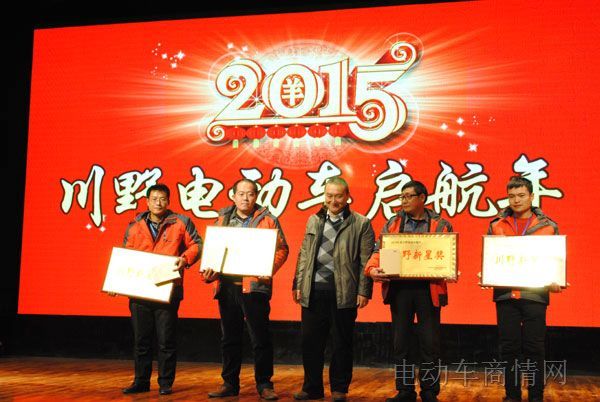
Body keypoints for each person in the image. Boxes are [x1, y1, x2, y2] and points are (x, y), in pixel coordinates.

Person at [365, 181, 453, 402]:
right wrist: (371, 268)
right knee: (401, 343)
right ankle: (405, 390)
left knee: (429, 343)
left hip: (428, 289)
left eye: (408, 196)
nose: (403, 201)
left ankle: (429, 391)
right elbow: (379, 250)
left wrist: (450, 268)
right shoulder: (393, 223)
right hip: (400, 289)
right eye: (401, 196)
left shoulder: (441, 225)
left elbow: (448, 254)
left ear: (422, 198)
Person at [203, 179, 289, 400]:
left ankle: (264, 384)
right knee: (229, 338)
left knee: (260, 338)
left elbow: (282, 249)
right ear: (233, 196)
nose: (245, 198)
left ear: (256, 196)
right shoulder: (222, 219)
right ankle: (229, 383)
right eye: (241, 193)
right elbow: (211, 250)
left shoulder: (268, 220)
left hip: (254, 287)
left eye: (250, 194)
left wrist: (268, 268)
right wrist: (208, 271)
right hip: (227, 286)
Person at [293, 177, 375, 402]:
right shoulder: (314, 220)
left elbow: (366, 261)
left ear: (347, 197)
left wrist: (364, 290)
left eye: (338, 196)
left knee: (341, 343)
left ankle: (339, 388)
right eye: (329, 195)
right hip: (313, 291)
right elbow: (304, 254)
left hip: (343, 292)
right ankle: (312, 388)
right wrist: (298, 284)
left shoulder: (361, 223)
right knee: (310, 343)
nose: (333, 200)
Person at [486, 176, 563, 402]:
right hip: (505, 294)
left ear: (531, 196)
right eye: (511, 196)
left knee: (534, 348)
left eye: (521, 195)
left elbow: (555, 260)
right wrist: (487, 272)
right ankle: (512, 395)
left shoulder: (548, 226)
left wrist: (556, 278)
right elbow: (489, 256)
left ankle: (536, 396)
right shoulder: (496, 224)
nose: (516, 200)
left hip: (535, 294)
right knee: (508, 348)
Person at [121, 183, 202, 395]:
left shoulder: (181, 222)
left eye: (163, 199)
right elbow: (126, 256)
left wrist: (185, 259)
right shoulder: (134, 225)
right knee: (141, 340)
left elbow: (197, 245)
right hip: (140, 290)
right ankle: (141, 381)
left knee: (166, 340)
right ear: (147, 202)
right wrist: (117, 281)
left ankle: (165, 383)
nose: (158, 203)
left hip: (168, 289)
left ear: (168, 201)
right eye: (154, 199)